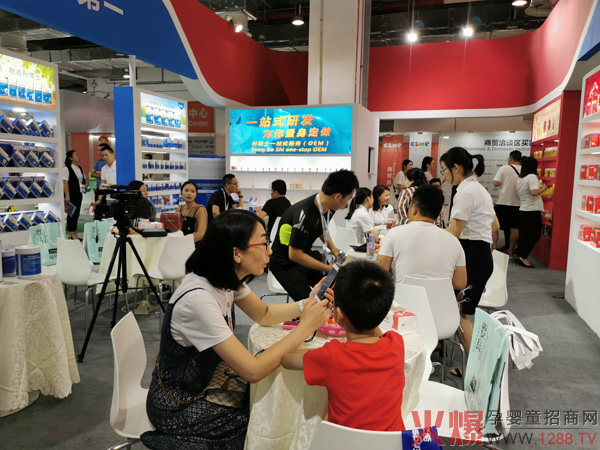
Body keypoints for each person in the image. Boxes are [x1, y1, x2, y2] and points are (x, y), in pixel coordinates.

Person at [142, 210, 332, 450]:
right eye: (263, 243)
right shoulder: (198, 300)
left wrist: (306, 304)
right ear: (236, 253)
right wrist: (305, 327)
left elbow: (263, 313)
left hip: (205, 381)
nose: (269, 251)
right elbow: (253, 370)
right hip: (178, 404)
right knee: (260, 420)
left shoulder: (225, 279)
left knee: (262, 405)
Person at [281, 260, 405, 432]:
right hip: (392, 442)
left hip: (342, 443)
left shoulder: (330, 356)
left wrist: (306, 323)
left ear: (338, 315)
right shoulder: (396, 342)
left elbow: (286, 359)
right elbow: (375, 331)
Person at [439, 147, 500, 375]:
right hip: (479, 254)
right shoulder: (479, 189)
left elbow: (454, 232)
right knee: (459, 311)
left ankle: (479, 370)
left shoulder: (465, 192)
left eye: (444, 170)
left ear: (456, 168)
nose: (444, 176)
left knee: (460, 314)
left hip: (473, 256)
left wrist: (430, 234)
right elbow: (495, 225)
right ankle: (476, 366)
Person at [270, 170, 359, 302]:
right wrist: (327, 268)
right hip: (284, 264)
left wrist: (334, 249)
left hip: (304, 256)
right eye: (349, 198)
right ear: (338, 197)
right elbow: (294, 254)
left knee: (334, 289)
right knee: (311, 303)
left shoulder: (328, 207)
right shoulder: (305, 214)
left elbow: (321, 228)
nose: (348, 203)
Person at [376, 185, 467, 290]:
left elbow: (379, 272)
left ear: (414, 208)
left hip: (404, 299)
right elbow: (460, 283)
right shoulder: (454, 241)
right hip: (441, 300)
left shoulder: (394, 233)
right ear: (438, 213)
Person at [515, 157, 547, 268]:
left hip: (523, 210)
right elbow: (534, 192)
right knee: (535, 235)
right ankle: (523, 257)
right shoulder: (532, 177)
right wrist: (544, 188)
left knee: (524, 234)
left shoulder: (520, 178)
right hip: (532, 210)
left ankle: (519, 255)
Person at [493, 150, 522, 255]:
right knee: (514, 228)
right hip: (518, 204)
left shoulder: (504, 168)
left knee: (494, 226)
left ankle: (494, 248)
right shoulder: (524, 169)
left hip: (503, 202)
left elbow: (496, 183)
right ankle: (511, 250)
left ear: (510, 158)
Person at [62, 150, 88, 240]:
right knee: (71, 214)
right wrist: (67, 196)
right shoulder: (66, 168)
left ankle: (74, 232)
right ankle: (71, 232)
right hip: (71, 194)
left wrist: (86, 184)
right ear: (71, 158)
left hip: (79, 193)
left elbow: (85, 178)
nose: (78, 156)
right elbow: (65, 183)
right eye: (76, 155)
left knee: (77, 213)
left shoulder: (80, 168)